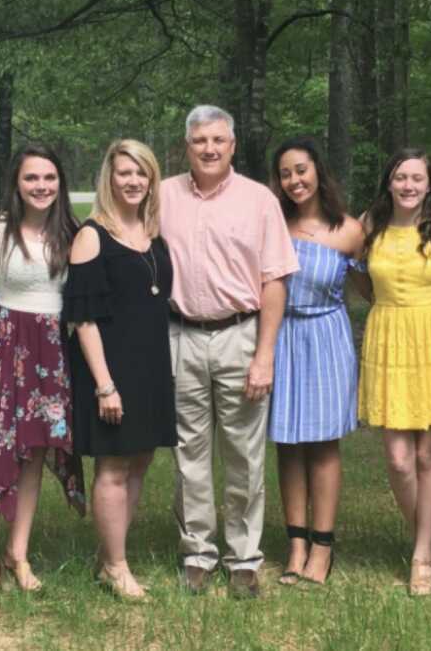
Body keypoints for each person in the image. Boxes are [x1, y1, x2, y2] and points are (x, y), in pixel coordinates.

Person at [160, 105, 299, 598]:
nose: (209, 149)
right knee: (189, 452)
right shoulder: (164, 196)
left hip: (241, 333)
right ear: (187, 145)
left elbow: (275, 279)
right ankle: (198, 552)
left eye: (218, 140)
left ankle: (244, 557)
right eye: (200, 141)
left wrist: (265, 354)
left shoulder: (259, 200)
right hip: (181, 335)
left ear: (233, 145)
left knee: (243, 451)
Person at [65, 139, 176, 600]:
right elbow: (82, 318)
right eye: (124, 173)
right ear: (109, 179)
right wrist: (104, 385)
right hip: (110, 369)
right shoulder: (93, 234)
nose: (133, 181)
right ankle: (115, 566)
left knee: (141, 460)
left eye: (141, 173)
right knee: (113, 465)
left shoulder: (154, 235)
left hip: (149, 363)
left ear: (151, 180)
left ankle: (110, 554)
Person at [0, 143, 85, 591]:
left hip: (52, 350)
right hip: (5, 345)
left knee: (36, 449)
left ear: (61, 182)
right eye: (31, 178)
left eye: (50, 178)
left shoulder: (74, 233)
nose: (41, 186)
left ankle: (17, 552)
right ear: (16, 184)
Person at [355, 147, 431, 596]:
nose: (408, 185)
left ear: (429, 183)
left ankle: (422, 555)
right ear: (389, 181)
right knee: (399, 460)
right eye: (400, 177)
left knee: (427, 456)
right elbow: (358, 276)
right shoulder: (368, 223)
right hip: (389, 334)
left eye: (417, 178)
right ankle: (429, 536)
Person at [267, 137, 363, 585]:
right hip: (283, 335)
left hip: (326, 336)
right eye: (285, 173)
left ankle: (323, 548)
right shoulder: (272, 226)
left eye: (301, 170)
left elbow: (372, 288)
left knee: (323, 444)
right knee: (288, 442)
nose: (294, 180)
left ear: (318, 172)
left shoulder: (348, 230)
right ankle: (296, 544)